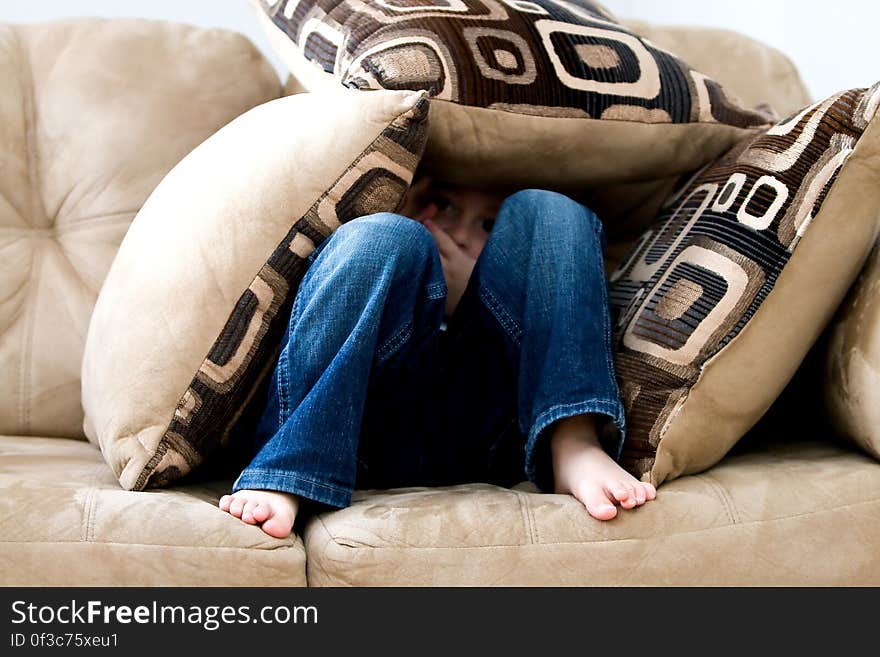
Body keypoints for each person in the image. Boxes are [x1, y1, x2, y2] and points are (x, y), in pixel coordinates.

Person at [219, 175, 656, 538]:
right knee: (380, 237)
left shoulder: (514, 268)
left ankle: (572, 438)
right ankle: (291, 469)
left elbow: (531, 280)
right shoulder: (404, 247)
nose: (462, 232)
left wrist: (471, 293)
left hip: (491, 429)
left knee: (550, 208)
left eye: (488, 223)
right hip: (364, 428)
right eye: (443, 205)